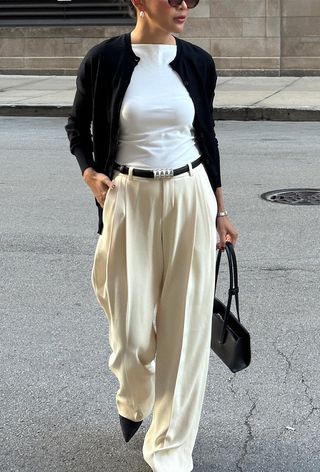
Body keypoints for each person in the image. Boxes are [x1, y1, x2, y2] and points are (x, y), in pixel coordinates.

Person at [65, 0, 239, 470]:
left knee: (184, 326)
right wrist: (88, 173)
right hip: (128, 196)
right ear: (140, 1)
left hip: (190, 194)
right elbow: (77, 128)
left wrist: (221, 210)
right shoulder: (105, 59)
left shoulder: (198, 62)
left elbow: (208, 137)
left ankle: (169, 447)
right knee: (129, 327)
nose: (184, 6)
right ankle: (134, 391)